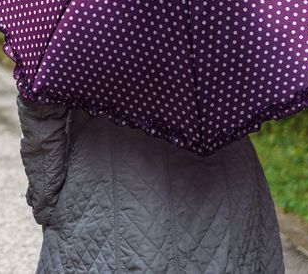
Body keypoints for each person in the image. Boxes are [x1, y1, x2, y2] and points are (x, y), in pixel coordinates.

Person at [17, 95, 284, 273]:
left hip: (110, 182)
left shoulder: (78, 30)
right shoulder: (223, 26)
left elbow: (41, 112)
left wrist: (47, 199)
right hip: (226, 173)